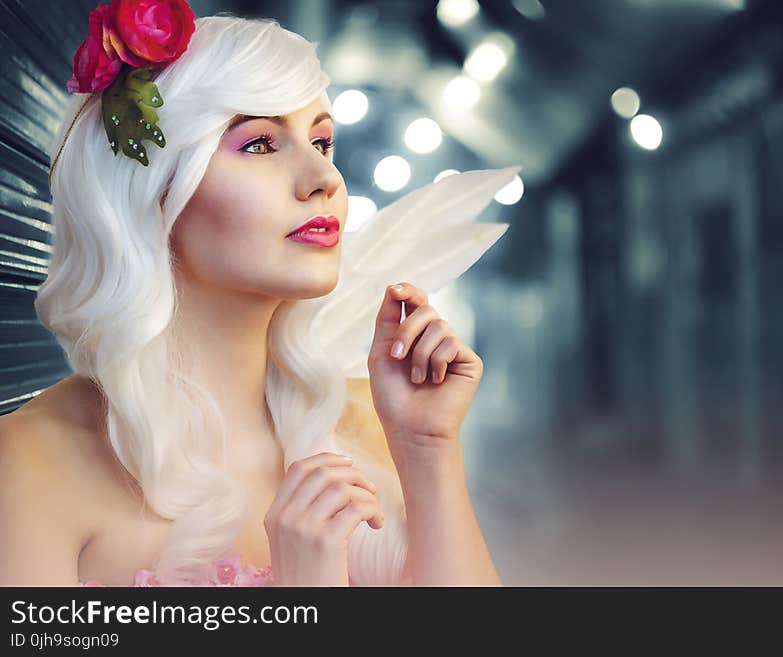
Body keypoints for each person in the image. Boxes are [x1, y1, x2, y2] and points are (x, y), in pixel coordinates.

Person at [0, 8, 517, 587]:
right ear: (150, 190)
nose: (324, 178)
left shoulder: (370, 423)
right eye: (260, 144)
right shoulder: (29, 464)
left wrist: (429, 449)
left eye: (322, 141)